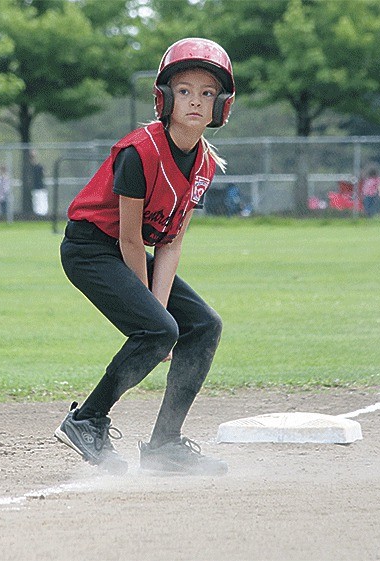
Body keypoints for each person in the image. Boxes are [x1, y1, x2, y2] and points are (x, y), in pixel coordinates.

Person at [54, 38, 235, 475]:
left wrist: (159, 314)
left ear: (221, 107)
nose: (195, 100)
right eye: (185, 90)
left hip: (123, 251)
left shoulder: (205, 165)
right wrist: (155, 316)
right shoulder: (141, 152)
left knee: (203, 325)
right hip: (91, 248)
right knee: (157, 329)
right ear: (165, 98)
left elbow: (170, 242)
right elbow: (132, 239)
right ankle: (87, 420)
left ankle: (164, 445)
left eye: (207, 92)